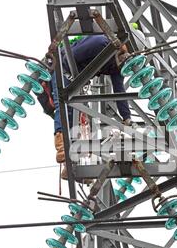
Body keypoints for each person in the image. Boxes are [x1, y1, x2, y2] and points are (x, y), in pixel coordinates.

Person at [51, 34, 132, 165]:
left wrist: (127, 118)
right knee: (64, 106)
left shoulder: (118, 65)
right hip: (62, 67)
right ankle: (62, 147)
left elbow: (120, 91)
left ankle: (72, 160)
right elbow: (70, 57)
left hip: (78, 78)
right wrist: (75, 82)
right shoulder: (100, 43)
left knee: (81, 117)